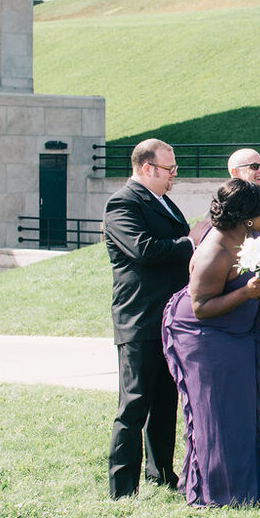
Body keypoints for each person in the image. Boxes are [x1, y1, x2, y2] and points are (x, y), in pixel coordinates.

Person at [161, 179, 260, 506]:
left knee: (239, 408)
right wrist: (246, 292)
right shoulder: (215, 251)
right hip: (201, 335)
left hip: (236, 331)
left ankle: (242, 485)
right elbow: (201, 307)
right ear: (247, 218)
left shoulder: (249, 238)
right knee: (216, 409)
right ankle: (217, 491)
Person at [104, 138, 193, 499]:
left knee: (165, 402)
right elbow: (143, 249)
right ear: (146, 168)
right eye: (169, 170)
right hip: (139, 319)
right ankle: (122, 488)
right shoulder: (122, 203)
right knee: (135, 403)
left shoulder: (165, 202)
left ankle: (161, 474)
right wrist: (191, 243)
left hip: (167, 318)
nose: (174, 176)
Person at [189, 148, 260, 395]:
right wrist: (245, 294)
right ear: (234, 173)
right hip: (228, 332)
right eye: (254, 166)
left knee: (256, 396)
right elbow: (202, 299)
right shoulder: (214, 233)